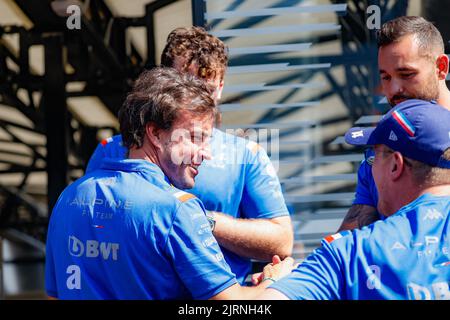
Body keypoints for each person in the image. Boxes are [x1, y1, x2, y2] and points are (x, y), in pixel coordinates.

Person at [45, 67, 295, 299]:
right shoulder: (178, 210)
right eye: (196, 137)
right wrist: (274, 281)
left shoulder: (68, 198)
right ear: (154, 133)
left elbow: (54, 294)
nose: (206, 153)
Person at [86, 26, 293, 284]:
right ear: (164, 82)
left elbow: (282, 241)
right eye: (186, 85)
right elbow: (90, 231)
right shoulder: (114, 148)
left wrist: (199, 220)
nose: (198, 99)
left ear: (220, 87)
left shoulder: (245, 155)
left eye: (206, 89)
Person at [256, 99, 450, 300]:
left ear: (395, 165)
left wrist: (274, 281)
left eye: (373, 157)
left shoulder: (351, 252)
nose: (369, 168)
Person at [338, 16, 450, 231]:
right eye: (386, 78)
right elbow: (354, 231)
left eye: (406, 74)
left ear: (441, 67)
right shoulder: (380, 149)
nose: (394, 89)